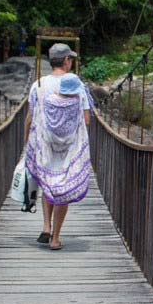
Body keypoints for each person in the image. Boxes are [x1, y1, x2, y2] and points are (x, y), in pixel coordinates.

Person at [23, 43, 91, 250]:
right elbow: (86, 120)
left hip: (44, 143)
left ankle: (45, 226)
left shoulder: (39, 85)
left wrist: (26, 142)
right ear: (66, 61)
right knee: (64, 187)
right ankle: (55, 238)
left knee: (47, 181)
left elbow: (29, 117)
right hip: (70, 147)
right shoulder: (77, 86)